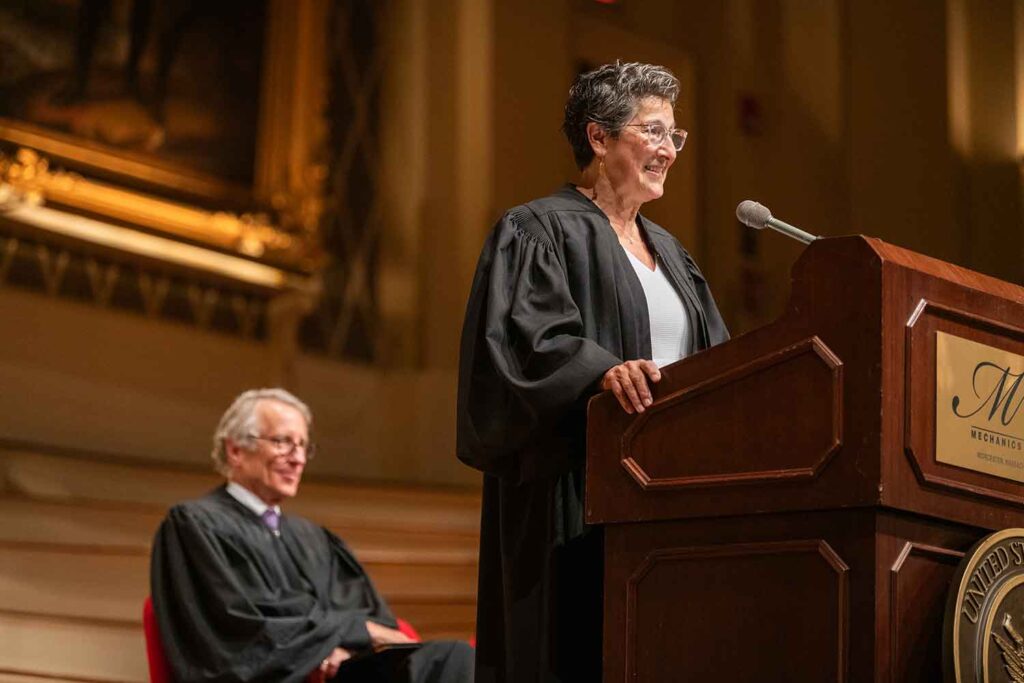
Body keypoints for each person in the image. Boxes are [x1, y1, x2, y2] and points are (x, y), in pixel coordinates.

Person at [456, 62, 730, 682]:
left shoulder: (673, 255)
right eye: (653, 131)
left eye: (674, 136)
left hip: (669, 488)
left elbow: (715, 359)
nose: (668, 150)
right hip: (576, 489)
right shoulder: (538, 229)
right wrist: (603, 373)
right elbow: (524, 346)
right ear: (599, 137)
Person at [150, 388, 474, 683]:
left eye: (304, 445)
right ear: (235, 450)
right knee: (449, 662)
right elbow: (237, 630)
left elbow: (372, 616)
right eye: (282, 442)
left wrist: (344, 646)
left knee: (460, 659)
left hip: (346, 671)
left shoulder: (313, 538)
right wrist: (330, 644)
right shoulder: (195, 526)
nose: (298, 458)